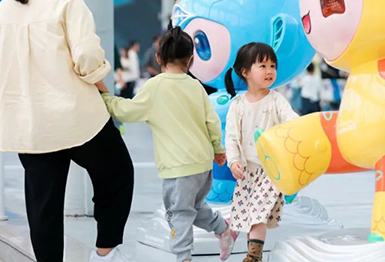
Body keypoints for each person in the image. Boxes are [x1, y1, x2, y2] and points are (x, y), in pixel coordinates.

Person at [0, 0, 134, 262]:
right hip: (75, 117)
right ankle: (104, 251)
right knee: (117, 173)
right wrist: (102, 86)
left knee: (42, 206)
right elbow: (87, 57)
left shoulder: (4, 7)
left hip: (29, 124)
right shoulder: (67, 2)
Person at [98, 27, 237, 262]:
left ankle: (183, 257)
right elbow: (212, 121)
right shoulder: (195, 86)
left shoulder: (155, 86)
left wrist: (105, 99)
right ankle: (223, 228)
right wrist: (218, 149)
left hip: (178, 167)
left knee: (179, 212)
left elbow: (127, 111)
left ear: (158, 57)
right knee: (192, 207)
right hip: (203, 165)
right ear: (190, 59)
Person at [224, 43, 298, 262]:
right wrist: (233, 161)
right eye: (263, 65)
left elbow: (291, 120)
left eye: (273, 66)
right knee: (250, 216)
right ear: (245, 72)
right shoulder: (237, 105)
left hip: (271, 170)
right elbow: (231, 137)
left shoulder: (276, 100)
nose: (269, 71)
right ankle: (246, 248)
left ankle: (253, 256)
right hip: (248, 171)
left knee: (258, 214)